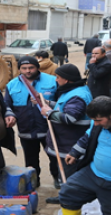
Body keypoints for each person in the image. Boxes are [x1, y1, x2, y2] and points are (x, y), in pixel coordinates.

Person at [4, 56, 58, 188]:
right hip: (26, 129)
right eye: (24, 68)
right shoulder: (12, 85)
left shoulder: (52, 81)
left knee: (54, 156)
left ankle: (58, 178)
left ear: (37, 67)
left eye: (31, 67)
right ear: (19, 69)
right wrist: (10, 115)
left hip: (49, 129)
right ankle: (34, 181)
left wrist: (47, 103)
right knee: (30, 159)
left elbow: (62, 103)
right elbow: (6, 105)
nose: (28, 71)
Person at [39, 64, 92, 194]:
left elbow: (70, 118)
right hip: (64, 143)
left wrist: (49, 113)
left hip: (70, 144)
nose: (56, 80)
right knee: (65, 175)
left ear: (67, 79)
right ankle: (65, 195)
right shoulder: (71, 91)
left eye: (58, 77)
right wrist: (48, 104)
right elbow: (63, 107)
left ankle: (70, 200)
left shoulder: (77, 96)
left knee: (70, 176)